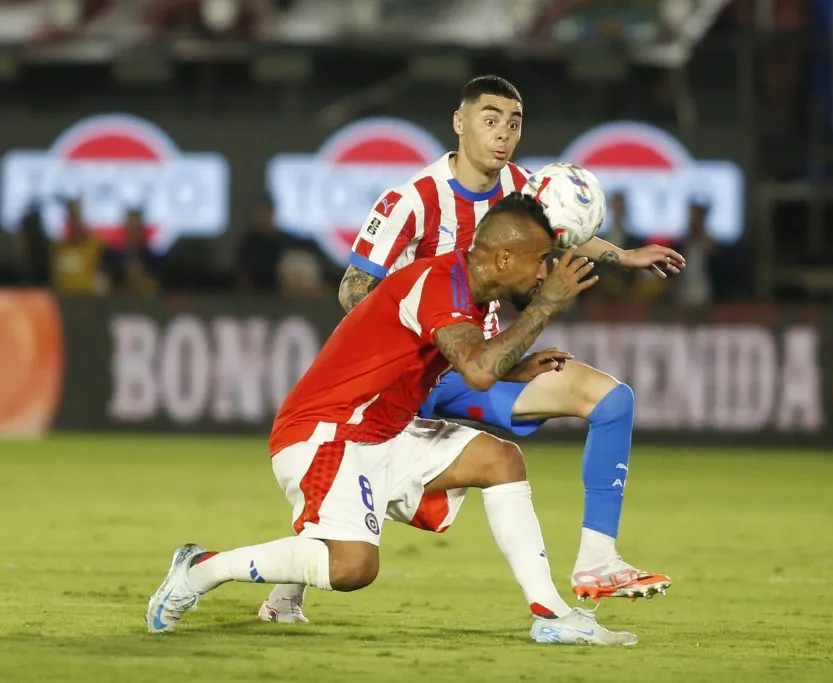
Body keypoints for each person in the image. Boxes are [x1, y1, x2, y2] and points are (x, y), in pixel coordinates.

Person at [259, 74, 681, 624]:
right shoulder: (412, 200)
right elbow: (353, 289)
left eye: (513, 121)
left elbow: (565, 229)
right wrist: (422, 321)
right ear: (460, 123)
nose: (503, 133)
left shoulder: (524, 191)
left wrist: (622, 256)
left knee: (611, 399)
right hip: (423, 373)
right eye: (490, 119)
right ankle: (285, 583)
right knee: (373, 473)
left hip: (487, 363)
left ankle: (597, 560)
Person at [145, 194, 636, 646]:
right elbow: (477, 371)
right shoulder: (441, 282)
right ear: (504, 258)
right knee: (354, 567)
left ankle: (551, 615)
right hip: (328, 431)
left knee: (500, 459)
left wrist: (512, 364)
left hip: (383, 430)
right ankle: (201, 569)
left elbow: (469, 359)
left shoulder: (466, 290)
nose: (544, 271)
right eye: (540, 260)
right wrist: (547, 305)